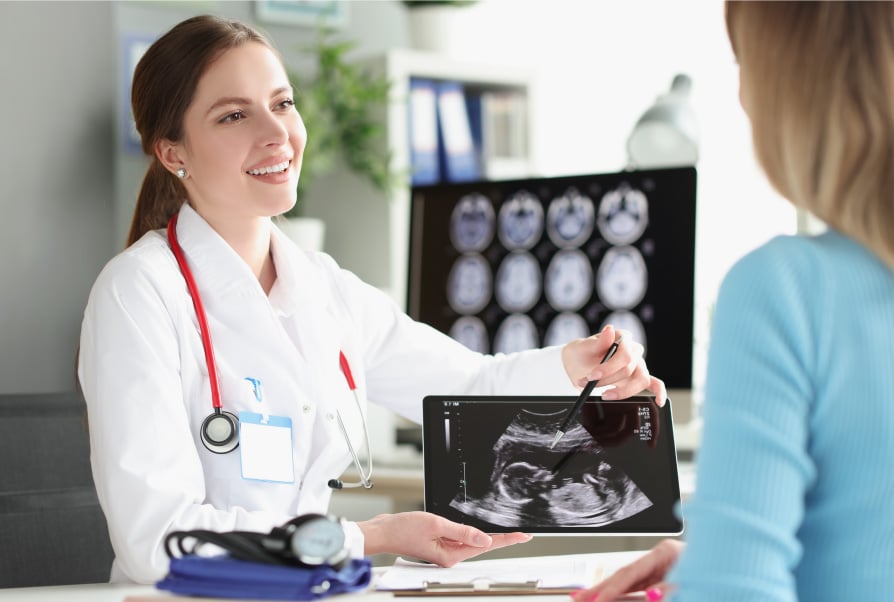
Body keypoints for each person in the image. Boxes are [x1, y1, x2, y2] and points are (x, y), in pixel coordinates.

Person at [77, 14, 666, 584]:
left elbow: (465, 389)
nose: (277, 132)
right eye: (234, 115)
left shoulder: (325, 288)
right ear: (173, 153)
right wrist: (370, 536)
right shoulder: (139, 293)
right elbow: (160, 542)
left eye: (283, 103)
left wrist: (581, 367)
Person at [572, 2, 894, 601]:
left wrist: (719, 580)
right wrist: (718, 560)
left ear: (797, 87)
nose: (743, 97)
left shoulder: (789, 291)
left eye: (746, 64)